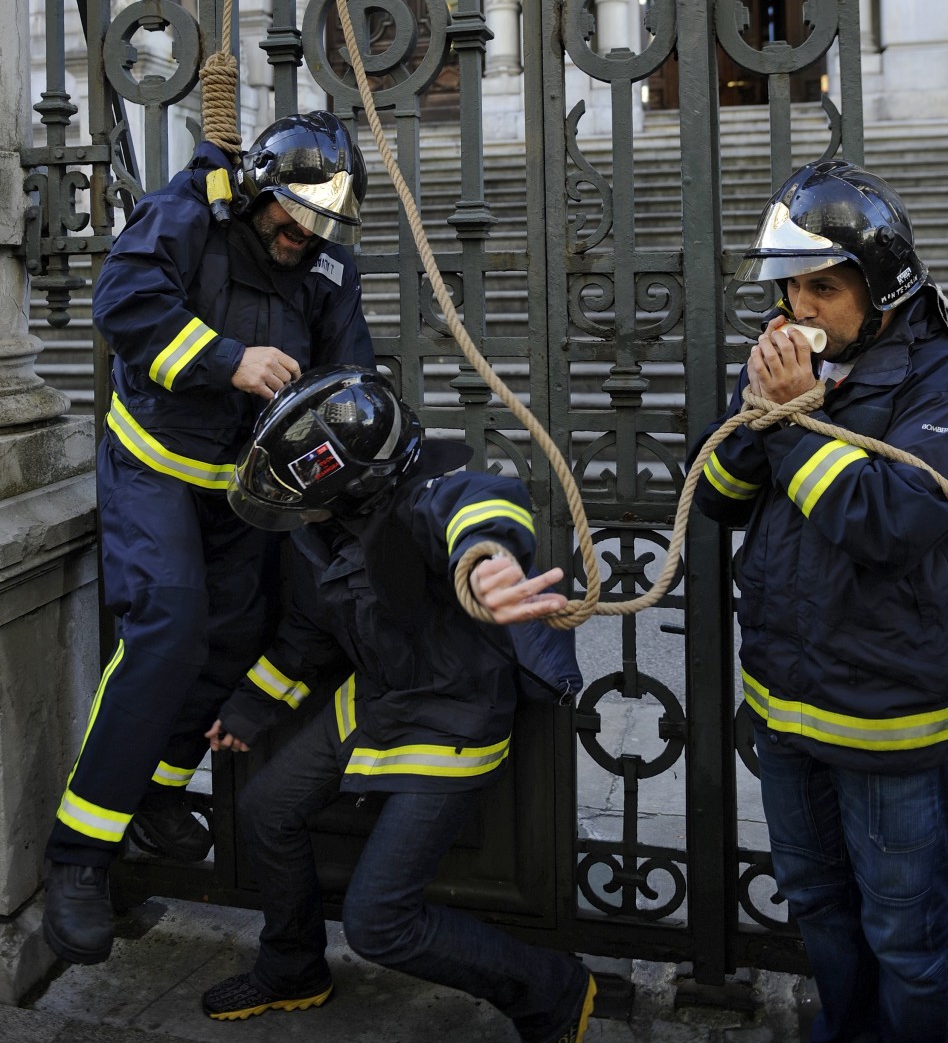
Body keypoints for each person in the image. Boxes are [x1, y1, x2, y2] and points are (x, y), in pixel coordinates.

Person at [43, 113, 376, 967]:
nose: (304, 239)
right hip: (156, 463)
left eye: (321, 228)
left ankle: (155, 796)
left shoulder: (328, 263)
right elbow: (121, 301)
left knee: (231, 640)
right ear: (262, 194)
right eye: (293, 222)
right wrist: (229, 358)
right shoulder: (188, 212)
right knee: (167, 630)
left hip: (248, 488)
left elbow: (350, 378)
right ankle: (79, 856)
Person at [197, 364, 596, 1042]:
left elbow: (480, 502)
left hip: (452, 721)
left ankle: (553, 989)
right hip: (377, 701)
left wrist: (487, 559)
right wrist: (246, 712)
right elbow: (307, 636)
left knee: (379, 923)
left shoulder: (421, 500)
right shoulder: (323, 531)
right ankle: (294, 968)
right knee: (265, 809)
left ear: (348, 483)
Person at [689, 159, 948, 1042]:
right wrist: (762, 413)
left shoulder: (939, 374)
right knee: (820, 910)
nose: (800, 308)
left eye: (824, 287)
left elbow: (892, 520)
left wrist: (793, 421)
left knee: (909, 938)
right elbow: (718, 501)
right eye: (792, 286)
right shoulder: (792, 358)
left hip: (887, 719)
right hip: (784, 702)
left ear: (880, 286)